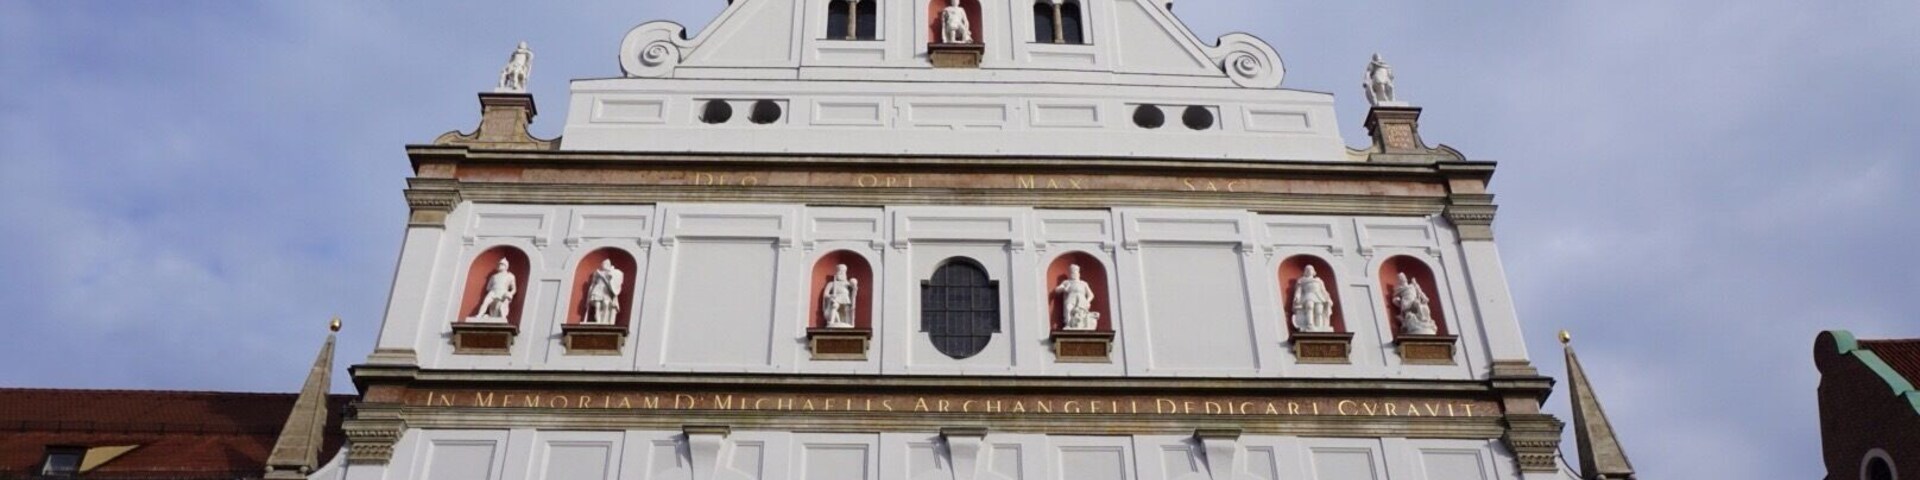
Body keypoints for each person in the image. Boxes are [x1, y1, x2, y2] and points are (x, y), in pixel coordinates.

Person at [1054, 264, 1099, 331]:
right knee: (1068, 308)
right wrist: (1063, 288)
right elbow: (1057, 290)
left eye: (1074, 272)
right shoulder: (1067, 282)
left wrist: (1087, 301)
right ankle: (1068, 325)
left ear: (1078, 273)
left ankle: (1082, 325)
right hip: (1071, 298)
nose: (1073, 273)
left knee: (1080, 313)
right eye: (1071, 272)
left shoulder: (1083, 283)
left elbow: (1091, 295)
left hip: (1081, 300)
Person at [1291, 265, 1334, 332]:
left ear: (1313, 271)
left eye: (1310, 269)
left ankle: (1319, 326)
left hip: (1318, 296)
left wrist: (1327, 298)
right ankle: (1310, 324)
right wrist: (1297, 296)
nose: (1309, 271)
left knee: (1319, 311)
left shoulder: (1318, 280)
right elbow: (1299, 291)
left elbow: (1323, 290)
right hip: (1308, 295)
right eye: (1307, 269)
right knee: (1309, 307)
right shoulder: (1302, 280)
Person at [585, 259, 624, 324]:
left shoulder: (612, 272)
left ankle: (604, 321)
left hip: (606, 291)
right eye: (603, 264)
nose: (603, 265)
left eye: (605, 264)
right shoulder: (597, 272)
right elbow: (593, 283)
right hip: (597, 289)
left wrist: (610, 277)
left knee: (606, 304)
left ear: (608, 265)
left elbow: (615, 282)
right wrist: (588, 296)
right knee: (597, 307)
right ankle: (598, 322)